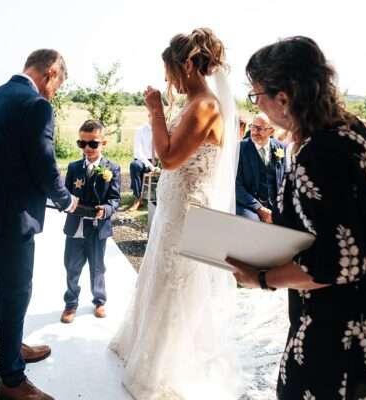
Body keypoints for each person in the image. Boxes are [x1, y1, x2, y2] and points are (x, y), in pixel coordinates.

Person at [226, 36, 366, 399]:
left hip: (353, 314)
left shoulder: (322, 152)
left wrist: (260, 277)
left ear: (283, 97)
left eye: (257, 95)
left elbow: (334, 266)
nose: (258, 106)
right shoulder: (347, 128)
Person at [110, 28, 243, 399]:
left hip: (188, 210)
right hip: (173, 205)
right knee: (159, 274)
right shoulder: (192, 103)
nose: (167, 79)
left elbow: (168, 158)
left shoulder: (205, 106)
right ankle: (142, 346)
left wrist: (155, 111)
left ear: (186, 65)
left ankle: (162, 368)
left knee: (176, 282)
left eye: (169, 70)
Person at [0, 49, 78, 400]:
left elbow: (7, 156)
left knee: (4, 288)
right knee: (16, 292)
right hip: (13, 218)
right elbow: (44, 162)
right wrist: (66, 200)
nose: (54, 92)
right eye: (58, 83)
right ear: (52, 71)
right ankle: (12, 381)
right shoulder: (36, 105)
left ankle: (12, 349)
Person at [60, 120, 121, 323]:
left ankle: (99, 300)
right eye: (82, 144)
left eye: (93, 144)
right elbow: (65, 192)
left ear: (104, 143)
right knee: (71, 266)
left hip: (97, 227)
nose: (87, 148)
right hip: (75, 226)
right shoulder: (74, 167)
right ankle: (71, 303)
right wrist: (66, 201)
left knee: (97, 266)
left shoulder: (112, 168)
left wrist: (106, 209)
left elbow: (114, 199)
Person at [236, 113, 285, 223]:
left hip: (275, 205)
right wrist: (258, 208)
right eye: (253, 127)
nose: (254, 132)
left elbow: (285, 180)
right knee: (251, 222)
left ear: (271, 131)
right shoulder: (240, 148)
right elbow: (235, 184)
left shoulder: (281, 148)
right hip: (248, 205)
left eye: (259, 128)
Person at [128, 113, 158, 211]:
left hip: (158, 160)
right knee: (134, 165)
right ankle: (138, 199)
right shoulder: (140, 130)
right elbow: (138, 152)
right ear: (149, 115)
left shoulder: (162, 130)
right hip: (143, 160)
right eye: (155, 115)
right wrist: (150, 166)